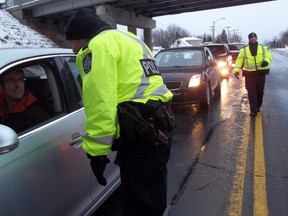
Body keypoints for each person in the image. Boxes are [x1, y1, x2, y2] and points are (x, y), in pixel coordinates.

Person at [65, 9, 175, 216]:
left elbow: (100, 101)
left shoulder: (97, 46)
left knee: (140, 205)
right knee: (153, 197)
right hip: (160, 125)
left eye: (72, 42)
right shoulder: (130, 39)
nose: (72, 49)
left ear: (81, 36)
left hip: (141, 135)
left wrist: (96, 152)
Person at [233, 32, 272, 117]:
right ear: (249, 39)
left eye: (254, 37)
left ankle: (258, 106)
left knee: (259, 92)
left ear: (256, 38)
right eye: (251, 37)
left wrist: (266, 61)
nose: (253, 38)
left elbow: (268, 56)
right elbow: (239, 61)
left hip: (261, 73)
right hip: (249, 74)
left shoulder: (263, 48)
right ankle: (253, 110)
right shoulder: (244, 50)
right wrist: (236, 71)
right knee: (251, 93)